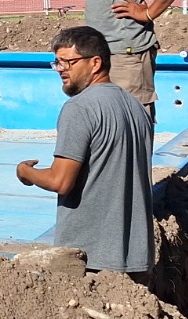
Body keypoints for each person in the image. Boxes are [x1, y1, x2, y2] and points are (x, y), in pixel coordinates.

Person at [16, 26, 154, 281]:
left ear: (95, 63)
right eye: (57, 63)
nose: (60, 70)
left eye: (68, 62)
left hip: (92, 260)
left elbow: (60, 182)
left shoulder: (79, 108)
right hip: (137, 258)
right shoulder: (137, 108)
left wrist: (25, 172)